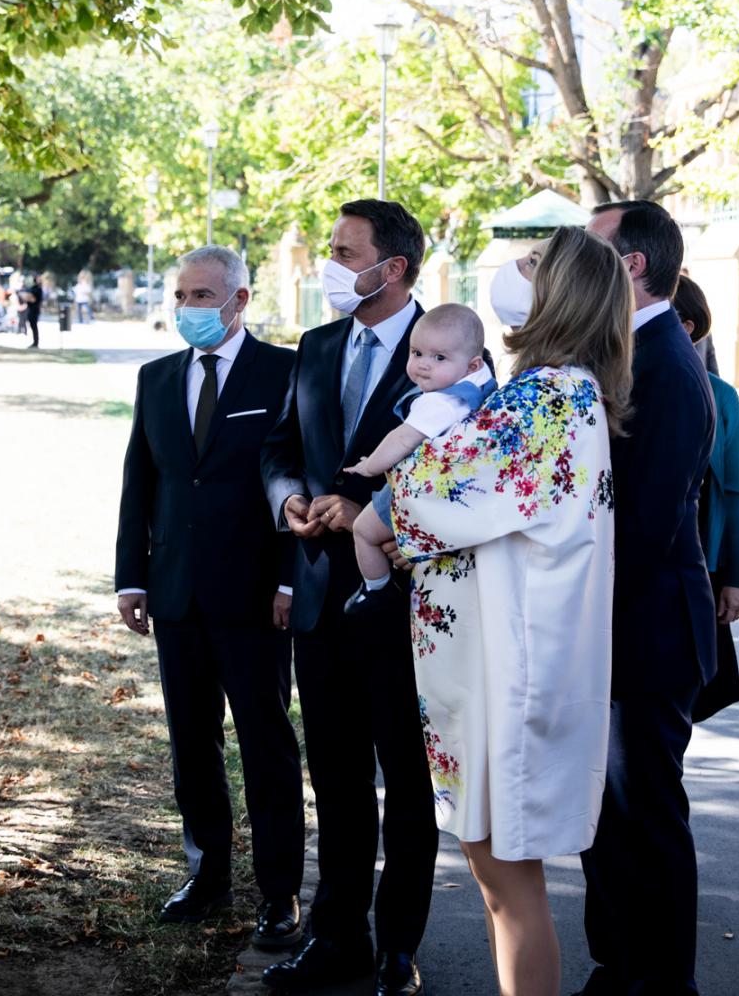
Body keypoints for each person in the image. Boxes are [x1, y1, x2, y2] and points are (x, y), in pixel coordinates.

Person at [390, 226, 631, 996]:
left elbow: (428, 485)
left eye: (531, 264)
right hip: (512, 665)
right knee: (503, 887)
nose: (511, 272)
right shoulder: (565, 392)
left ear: (559, 293)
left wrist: (376, 508)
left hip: (512, 673)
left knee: (510, 889)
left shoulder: (547, 397)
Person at [259, 199, 437, 996]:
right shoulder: (318, 343)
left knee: (404, 776)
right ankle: (337, 937)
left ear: (390, 267)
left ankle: (400, 946)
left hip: (405, 600)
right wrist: (291, 499)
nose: (326, 262)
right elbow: (281, 448)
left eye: (341, 249)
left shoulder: (451, 351)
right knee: (332, 773)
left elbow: (460, 466)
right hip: (322, 593)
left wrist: (374, 514)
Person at [114, 245, 306, 951]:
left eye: (203, 295)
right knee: (191, 743)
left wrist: (291, 577)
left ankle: (280, 890)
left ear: (240, 299)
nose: (189, 307)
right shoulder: (156, 377)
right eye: (181, 295)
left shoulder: (285, 372)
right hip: (174, 593)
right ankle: (207, 874)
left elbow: (297, 476)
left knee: (266, 748)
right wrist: (131, 575)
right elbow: (143, 479)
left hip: (257, 598)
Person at [581, 200, 716, 996]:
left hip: (646, 636)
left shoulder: (664, 361)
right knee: (609, 822)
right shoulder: (627, 349)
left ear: (630, 265)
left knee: (647, 821)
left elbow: (648, 522)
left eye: (589, 251)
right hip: (615, 635)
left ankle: (662, 984)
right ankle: (620, 967)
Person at [342, 303, 496, 610]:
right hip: (449, 497)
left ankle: (376, 588)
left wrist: (369, 466)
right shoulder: (477, 384)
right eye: (417, 353)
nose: (424, 365)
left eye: (439, 357)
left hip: (413, 492)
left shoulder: (442, 402)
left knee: (363, 529)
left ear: (473, 364)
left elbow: (401, 440)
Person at [671, 276, 739, 723]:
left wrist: (735, 577)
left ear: (687, 326)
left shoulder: (723, 398)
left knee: (692, 694)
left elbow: (736, 491)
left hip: (704, 558)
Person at [21, 277, 44, 349]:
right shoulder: (33, 288)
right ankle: (35, 342)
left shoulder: (38, 289)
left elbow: (32, 299)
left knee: (34, 326)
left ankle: (35, 342)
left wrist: (28, 297)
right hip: (31, 309)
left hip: (34, 310)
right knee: (32, 326)